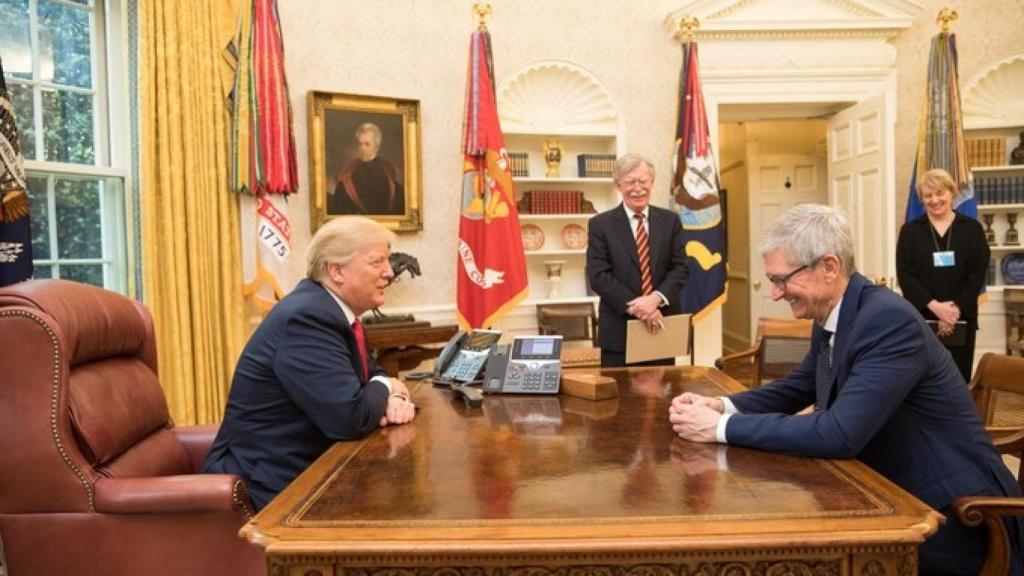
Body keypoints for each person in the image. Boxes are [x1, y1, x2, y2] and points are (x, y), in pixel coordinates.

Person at [668, 203, 1021, 576]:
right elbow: (800, 386)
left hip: (952, 515)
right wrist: (721, 405)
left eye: (781, 280)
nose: (776, 294)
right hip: (887, 491)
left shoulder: (887, 320)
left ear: (829, 267)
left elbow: (840, 432)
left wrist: (718, 429)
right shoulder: (836, 311)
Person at [203, 216, 417, 510]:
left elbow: (370, 373)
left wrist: (391, 392)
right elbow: (350, 418)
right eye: (377, 262)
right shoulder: (307, 318)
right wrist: (387, 385)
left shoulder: (334, 313)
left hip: (315, 471)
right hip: (271, 490)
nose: (389, 272)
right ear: (336, 270)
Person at [586, 153, 689, 367]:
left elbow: (680, 268)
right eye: (630, 182)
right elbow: (598, 276)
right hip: (619, 330)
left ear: (652, 182)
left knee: (663, 395)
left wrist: (654, 300)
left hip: (661, 325)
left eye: (643, 181)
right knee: (618, 398)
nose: (637, 188)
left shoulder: (671, 221)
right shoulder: (600, 224)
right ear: (618, 186)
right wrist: (640, 308)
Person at [897, 168, 990, 382]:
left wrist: (954, 309)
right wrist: (936, 308)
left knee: (957, 381)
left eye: (940, 193)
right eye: (928, 195)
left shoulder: (972, 229)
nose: (935, 200)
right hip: (922, 318)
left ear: (952, 193)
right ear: (921, 199)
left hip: (961, 318)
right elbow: (905, 275)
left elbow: (977, 273)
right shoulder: (910, 232)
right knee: (922, 382)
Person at [329, 122, 405, 216]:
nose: (362, 148)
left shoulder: (387, 173)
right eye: (360, 144)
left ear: (377, 147)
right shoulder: (349, 171)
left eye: (367, 144)